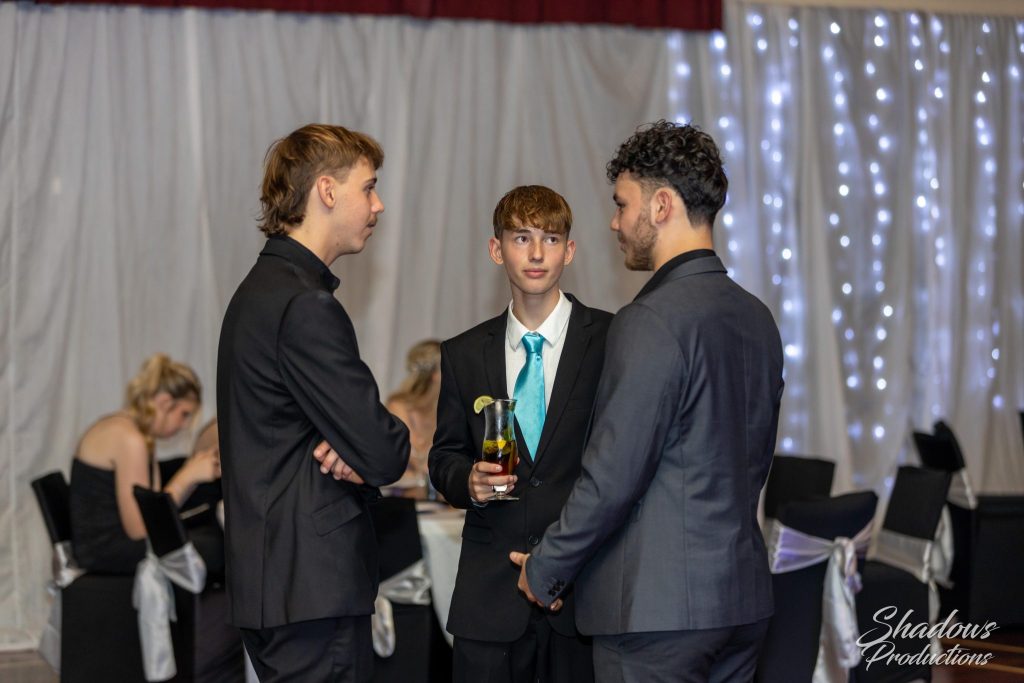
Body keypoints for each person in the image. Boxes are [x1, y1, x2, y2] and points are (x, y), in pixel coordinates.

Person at [512, 121, 785, 682]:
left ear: (661, 206)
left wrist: (546, 567)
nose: (614, 222)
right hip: (741, 601)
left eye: (622, 204)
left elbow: (614, 476)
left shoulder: (649, 319)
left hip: (658, 615)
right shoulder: (757, 317)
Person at [217, 123, 410, 682]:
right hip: (310, 586)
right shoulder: (304, 303)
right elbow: (385, 449)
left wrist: (353, 449)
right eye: (368, 188)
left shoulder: (262, 288)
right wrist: (365, 450)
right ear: (327, 190)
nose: (378, 205)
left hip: (278, 580)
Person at [429, 185, 612, 683]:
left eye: (550, 239)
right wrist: (467, 481)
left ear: (569, 251)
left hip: (581, 595)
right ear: (497, 249)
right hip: (489, 600)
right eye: (521, 238)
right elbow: (444, 455)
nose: (536, 253)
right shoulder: (464, 352)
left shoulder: (610, 340)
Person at [69, 353, 220, 574]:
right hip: (106, 552)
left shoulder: (132, 433)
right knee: (213, 546)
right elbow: (140, 528)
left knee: (208, 535)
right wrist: (186, 476)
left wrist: (192, 477)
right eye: (184, 414)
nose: (184, 425)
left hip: (104, 548)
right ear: (165, 403)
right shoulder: (130, 439)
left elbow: (153, 507)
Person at [385, 339, 441, 498]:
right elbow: (409, 460)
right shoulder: (398, 406)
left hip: (436, 502)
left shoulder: (444, 409)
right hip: (401, 501)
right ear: (434, 375)